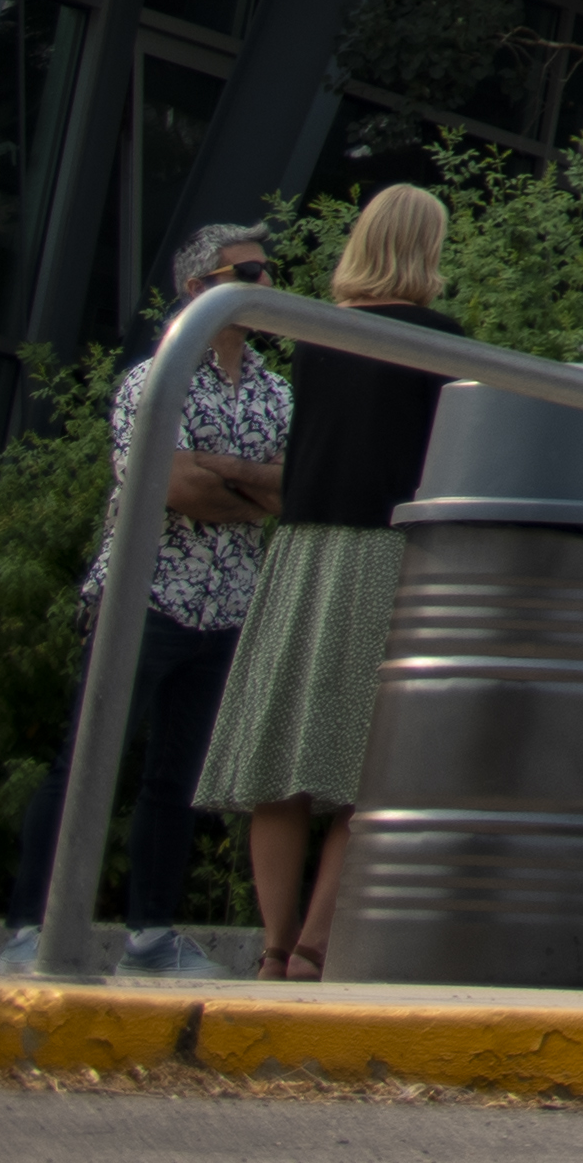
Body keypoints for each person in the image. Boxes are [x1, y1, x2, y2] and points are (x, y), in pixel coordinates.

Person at [2, 223, 287, 977]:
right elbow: (173, 488)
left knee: (178, 778)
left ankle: (152, 938)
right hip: (144, 597)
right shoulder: (151, 381)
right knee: (86, 763)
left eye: (268, 269)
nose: (267, 283)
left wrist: (222, 476)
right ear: (198, 289)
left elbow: (289, 488)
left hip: (226, 605)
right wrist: (246, 483)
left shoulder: (276, 392)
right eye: (247, 271)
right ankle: (29, 929)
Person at [198, 181, 455, 982]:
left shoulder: (311, 333)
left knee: (279, 760)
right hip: (386, 556)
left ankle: (275, 948)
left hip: (301, 554)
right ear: (426, 249)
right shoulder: (444, 342)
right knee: (366, 771)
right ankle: (315, 942)